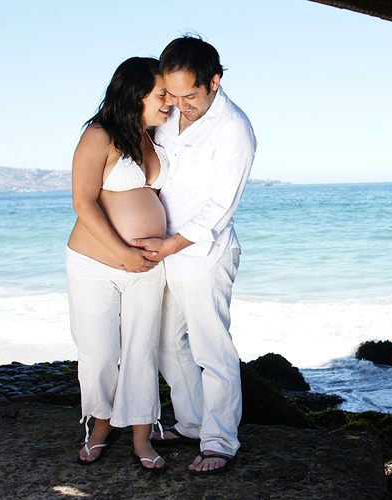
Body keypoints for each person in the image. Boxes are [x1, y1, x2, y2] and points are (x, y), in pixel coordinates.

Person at [132, 36, 256, 475]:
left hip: (204, 253)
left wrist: (170, 244)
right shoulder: (169, 115)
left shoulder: (234, 129)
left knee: (211, 348)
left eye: (190, 95)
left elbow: (219, 209)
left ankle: (221, 440)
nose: (179, 105)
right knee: (166, 345)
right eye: (172, 94)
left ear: (214, 82)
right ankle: (192, 422)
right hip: (162, 251)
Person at [66, 57, 170, 472]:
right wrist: (124, 252)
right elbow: (83, 202)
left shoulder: (155, 137)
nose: (170, 102)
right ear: (136, 93)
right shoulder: (99, 135)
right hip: (95, 265)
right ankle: (100, 427)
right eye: (162, 94)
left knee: (142, 350)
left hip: (148, 266)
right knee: (99, 352)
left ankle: (142, 436)